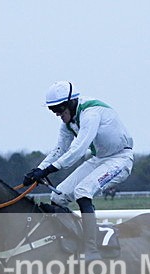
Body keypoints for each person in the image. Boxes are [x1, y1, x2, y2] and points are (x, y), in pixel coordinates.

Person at [23, 81, 134, 260]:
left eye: (59, 109)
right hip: (99, 159)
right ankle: (69, 242)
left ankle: (91, 250)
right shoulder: (68, 122)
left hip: (120, 159)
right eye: (53, 111)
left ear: (70, 102)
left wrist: (48, 171)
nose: (57, 114)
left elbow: (78, 149)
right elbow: (59, 150)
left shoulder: (91, 114)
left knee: (82, 191)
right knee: (58, 197)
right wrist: (38, 169)